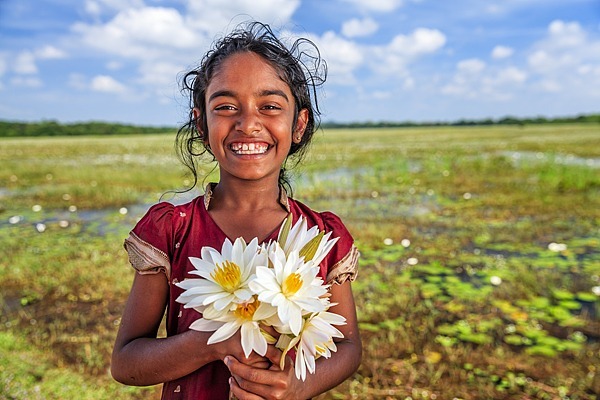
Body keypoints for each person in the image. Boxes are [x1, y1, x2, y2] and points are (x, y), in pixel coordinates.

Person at [111, 21, 362, 400]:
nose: (247, 124)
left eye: (270, 106)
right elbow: (126, 363)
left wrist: (297, 386)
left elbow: (348, 347)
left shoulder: (321, 237)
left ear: (299, 124)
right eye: (226, 106)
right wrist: (211, 343)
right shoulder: (173, 230)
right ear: (201, 123)